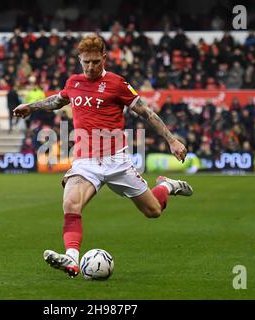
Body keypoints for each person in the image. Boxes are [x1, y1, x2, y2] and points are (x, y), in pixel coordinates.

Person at [13, 35, 193, 278]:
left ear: (104, 59)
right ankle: (72, 259)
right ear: (79, 60)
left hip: (116, 160)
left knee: (153, 211)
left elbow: (146, 113)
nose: (90, 67)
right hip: (85, 161)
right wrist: (31, 106)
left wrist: (171, 140)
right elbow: (57, 101)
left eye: (95, 62)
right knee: (70, 203)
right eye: (86, 62)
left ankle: (166, 187)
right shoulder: (74, 82)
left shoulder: (117, 83)